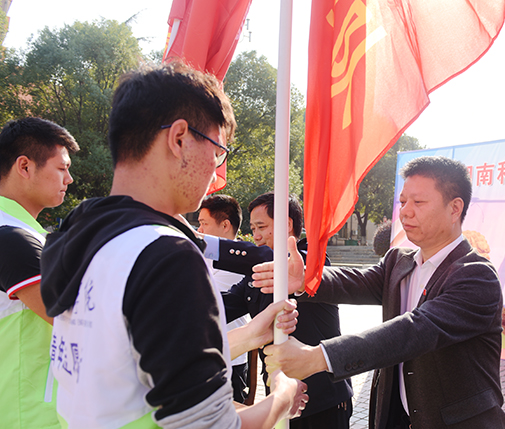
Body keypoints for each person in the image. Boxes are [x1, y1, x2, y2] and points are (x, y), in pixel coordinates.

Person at [40, 63, 307, 429]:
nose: (215, 171)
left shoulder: (85, 234)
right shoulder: (167, 256)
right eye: (217, 151)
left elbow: (128, 361)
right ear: (179, 138)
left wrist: (251, 334)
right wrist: (282, 395)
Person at [253, 156, 505, 429]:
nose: (406, 212)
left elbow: (414, 331)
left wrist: (318, 357)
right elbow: (356, 281)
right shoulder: (399, 261)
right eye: (403, 202)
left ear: (454, 208)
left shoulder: (476, 276)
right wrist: (306, 279)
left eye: (418, 202)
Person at [213, 192, 353, 429]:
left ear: (287, 224)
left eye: (261, 227)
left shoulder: (312, 260)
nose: (256, 236)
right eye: (253, 228)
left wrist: (205, 245)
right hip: (282, 400)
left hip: (322, 398)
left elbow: (277, 259)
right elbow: (222, 307)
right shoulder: (257, 274)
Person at [0, 117, 79, 428]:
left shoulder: (22, 232)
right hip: (26, 415)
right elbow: (79, 321)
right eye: (62, 168)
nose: (69, 179)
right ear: (24, 166)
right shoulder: (13, 238)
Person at [199, 194, 251, 403]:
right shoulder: (203, 256)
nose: (200, 230)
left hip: (230, 360)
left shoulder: (243, 261)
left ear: (225, 225)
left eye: (204, 223)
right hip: (199, 356)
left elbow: (202, 299)